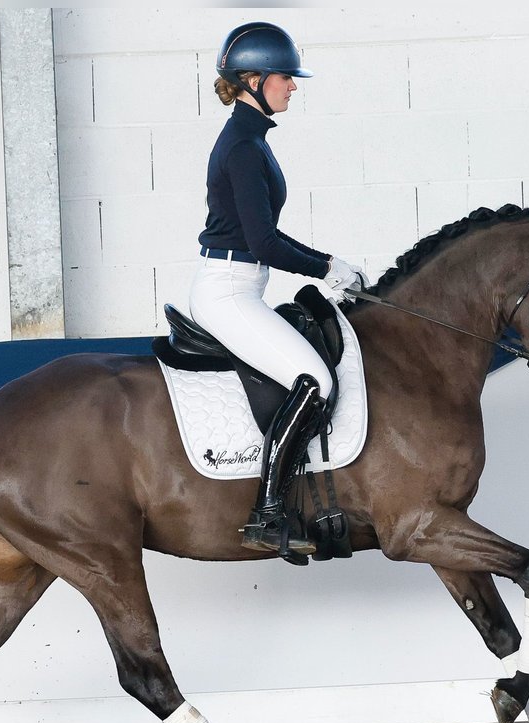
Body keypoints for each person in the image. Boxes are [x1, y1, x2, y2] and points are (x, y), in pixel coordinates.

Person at [189, 21, 366, 564]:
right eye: (286, 77)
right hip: (228, 292)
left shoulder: (252, 139)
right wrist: (328, 266)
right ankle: (267, 514)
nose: (294, 86)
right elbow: (264, 241)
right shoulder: (243, 146)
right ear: (254, 79)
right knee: (312, 381)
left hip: (243, 287)